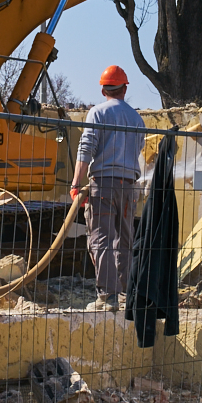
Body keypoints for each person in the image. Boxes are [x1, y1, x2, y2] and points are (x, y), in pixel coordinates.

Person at [71, 65, 146, 312]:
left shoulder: (97, 113)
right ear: (125, 89)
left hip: (102, 184)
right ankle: (125, 294)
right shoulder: (136, 118)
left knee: (100, 238)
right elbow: (137, 151)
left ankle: (107, 297)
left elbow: (86, 149)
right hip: (128, 187)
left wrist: (76, 184)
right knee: (124, 239)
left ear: (103, 89)